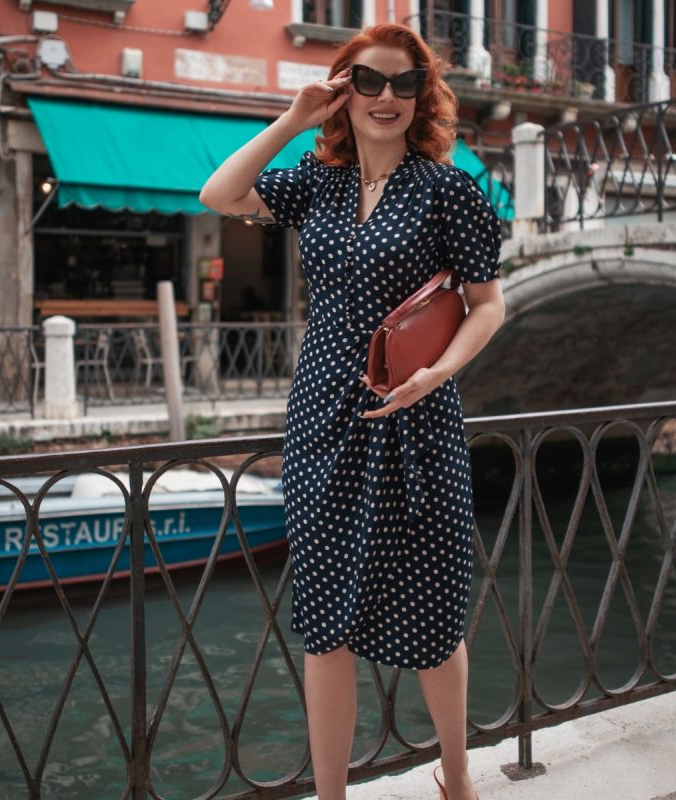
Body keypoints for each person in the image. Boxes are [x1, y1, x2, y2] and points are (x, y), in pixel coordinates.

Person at [199, 22, 505, 800]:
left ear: (422, 96)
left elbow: (488, 306)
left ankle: (458, 778)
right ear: (346, 89)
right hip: (324, 421)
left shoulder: (450, 189)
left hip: (419, 420)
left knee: (437, 612)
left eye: (405, 85)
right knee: (325, 618)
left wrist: (436, 374)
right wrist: (294, 118)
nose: (387, 98)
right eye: (369, 81)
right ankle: (331, 795)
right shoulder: (317, 180)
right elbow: (219, 193)